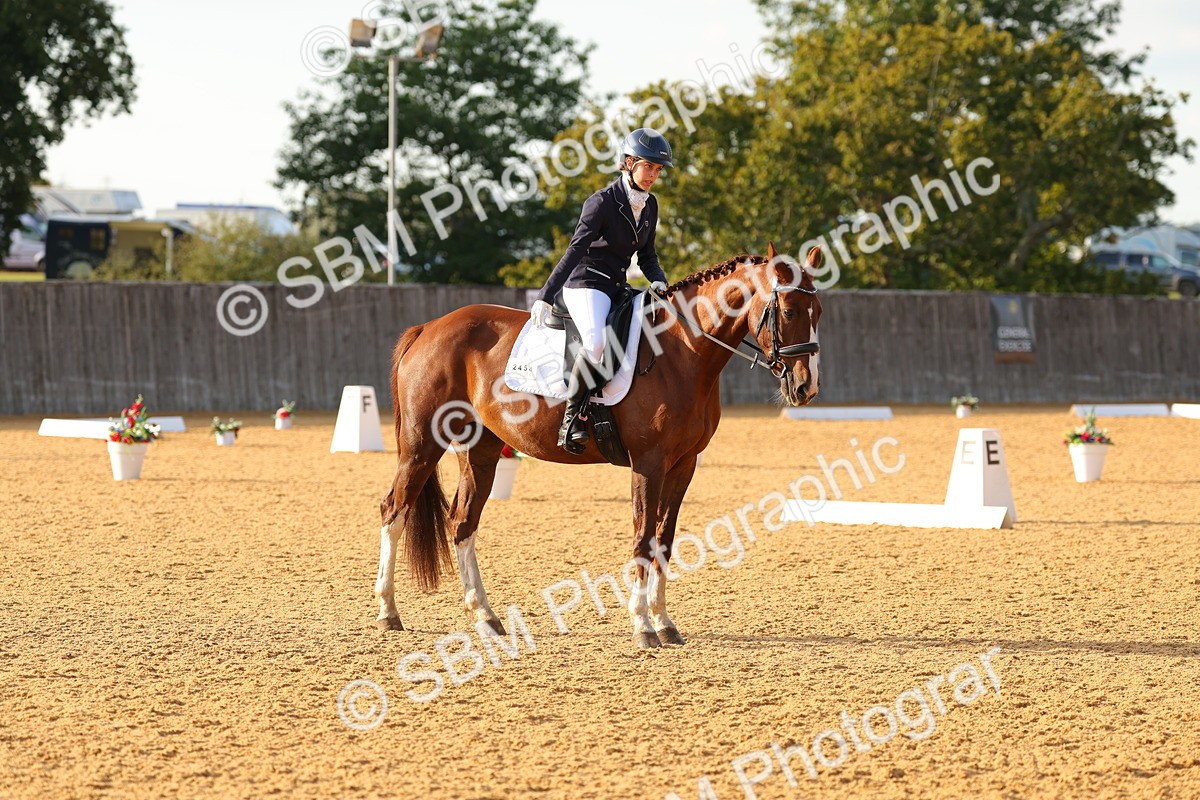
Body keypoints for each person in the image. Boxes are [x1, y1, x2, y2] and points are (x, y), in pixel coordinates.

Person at [530, 127, 673, 454]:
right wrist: (546, 294)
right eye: (648, 166)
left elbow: (647, 256)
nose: (653, 175)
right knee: (595, 342)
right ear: (628, 163)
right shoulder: (601, 202)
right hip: (587, 283)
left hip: (618, 285)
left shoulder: (650, 206)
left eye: (658, 169)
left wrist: (660, 280)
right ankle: (571, 417)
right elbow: (574, 251)